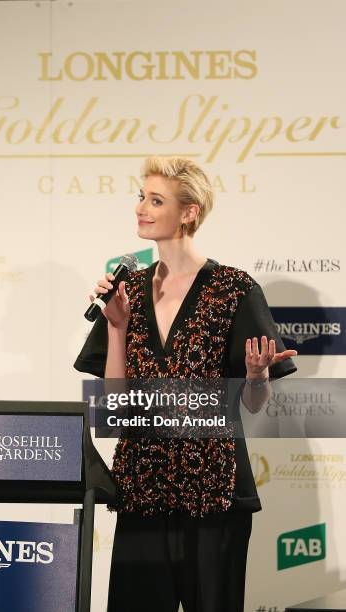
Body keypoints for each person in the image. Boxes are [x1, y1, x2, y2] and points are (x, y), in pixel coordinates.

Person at [75, 156, 297, 612]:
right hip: (143, 485)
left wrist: (255, 377)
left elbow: (255, 405)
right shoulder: (127, 290)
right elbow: (117, 405)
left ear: (190, 211)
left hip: (214, 492)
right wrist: (117, 327)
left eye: (156, 200)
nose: (142, 208)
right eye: (141, 197)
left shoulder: (234, 289)